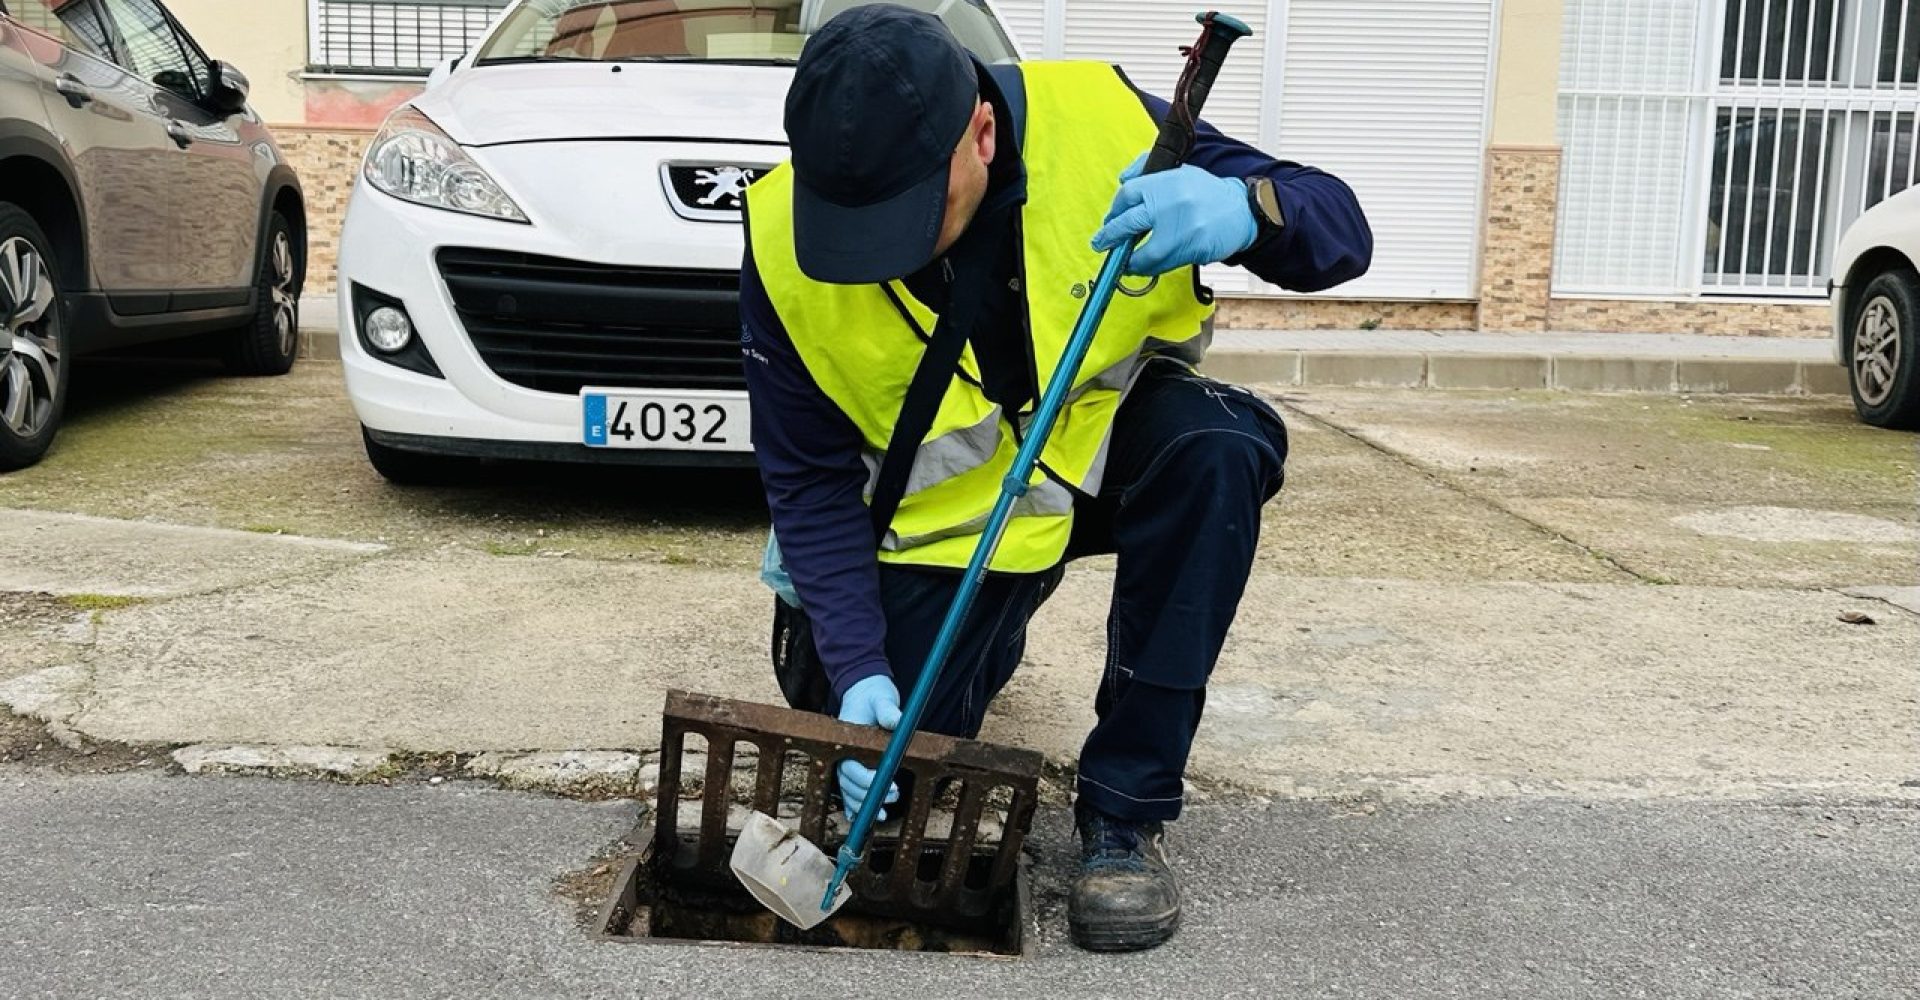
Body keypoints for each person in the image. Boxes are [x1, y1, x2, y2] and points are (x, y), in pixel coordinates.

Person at [741, 3, 1370, 952]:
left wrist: (1248, 214)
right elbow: (808, 479)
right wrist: (861, 665)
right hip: (953, 522)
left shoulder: (1113, 128)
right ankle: (956, 647)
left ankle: (1124, 815)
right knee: (896, 742)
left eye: (913, 216)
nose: (890, 252)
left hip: (1105, 454)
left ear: (982, 133)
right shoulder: (784, 237)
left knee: (1219, 447)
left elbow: (1342, 232)